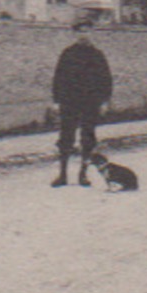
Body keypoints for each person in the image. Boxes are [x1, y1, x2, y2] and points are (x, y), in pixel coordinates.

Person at [49, 18, 113, 188]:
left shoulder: (97, 55)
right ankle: (62, 175)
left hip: (90, 102)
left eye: (87, 31)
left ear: (92, 33)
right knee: (65, 138)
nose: (83, 35)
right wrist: (56, 101)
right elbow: (58, 78)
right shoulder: (68, 54)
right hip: (70, 101)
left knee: (88, 138)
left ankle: (83, 175)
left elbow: (106, 80)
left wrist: (104, 101)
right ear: (75, 34)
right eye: (80, 31)